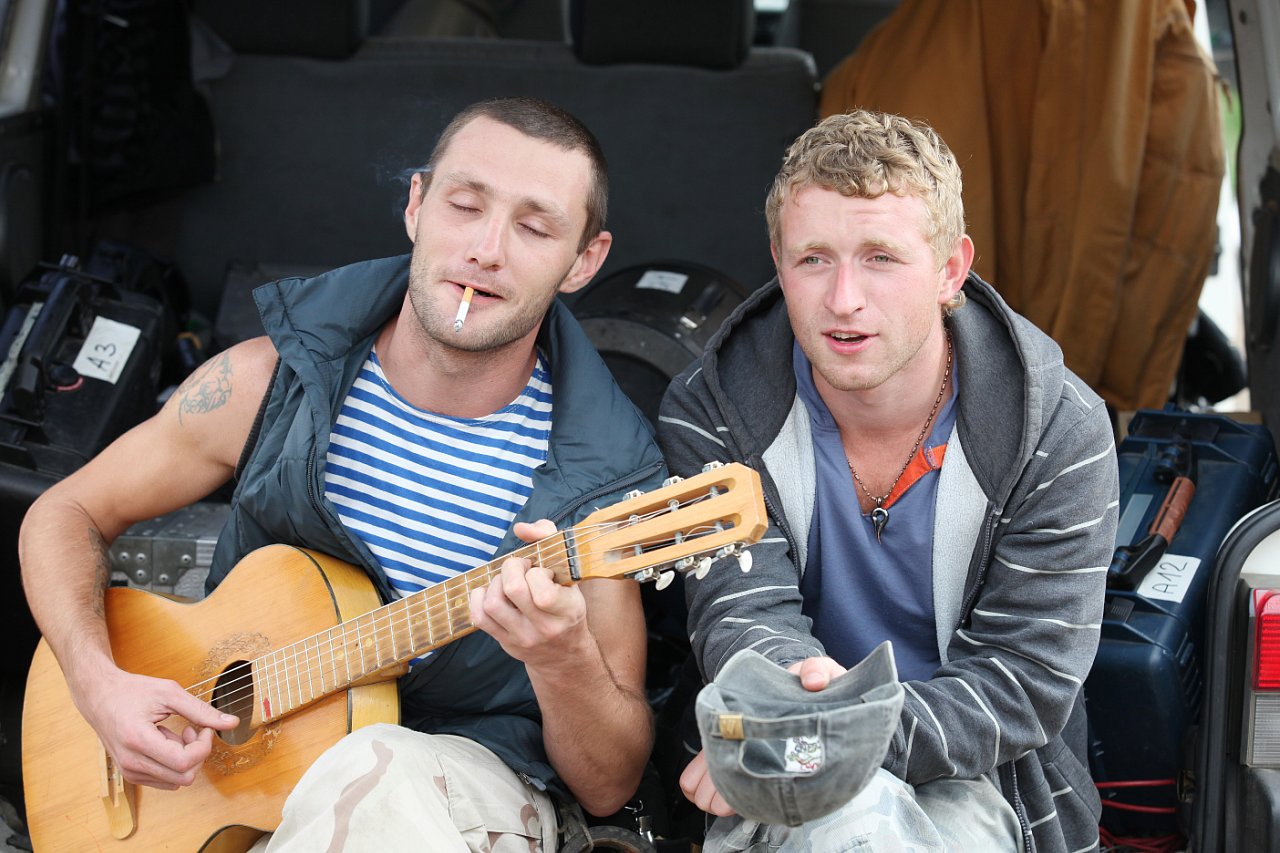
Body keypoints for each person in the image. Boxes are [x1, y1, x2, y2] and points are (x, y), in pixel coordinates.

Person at [19, 96, 665, 850]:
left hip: (460, 793)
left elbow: (609, 782)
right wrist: (98, 684)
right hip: (232, 793)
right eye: (464, 205)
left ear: (584, 260)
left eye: (535, 227)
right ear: (416, 205)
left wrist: (562, 658)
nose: (487, 249)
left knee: (373, 769)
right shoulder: (269, 382)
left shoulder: (602, 482)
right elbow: (64, 512)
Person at [657, 109, 1119, 853]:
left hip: (977, 776)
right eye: (814, 259)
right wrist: (799, 735)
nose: (844, 298)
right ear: (778, 262)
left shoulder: (1058, 428)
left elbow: (1022, 682)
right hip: (771, 754)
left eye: (881, 258)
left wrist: (825, 737)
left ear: (950, 270)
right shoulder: (712, 411)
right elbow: (741, 619)